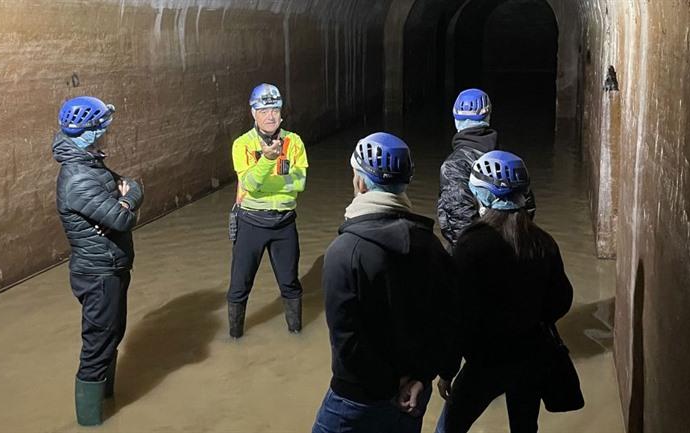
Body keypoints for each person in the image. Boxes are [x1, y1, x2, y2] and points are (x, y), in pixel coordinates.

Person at [312, 132, 457, 433]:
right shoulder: (430, 245)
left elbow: (347, 342)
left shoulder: (344, 252)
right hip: (413, 393)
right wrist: (421, 377)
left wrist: (390, 385)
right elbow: (446, 322)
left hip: (355, 399)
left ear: (361, 183)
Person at [434, 150, 573, 433]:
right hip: (531, 357)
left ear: (482, 193)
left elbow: (457, 316)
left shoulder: (472, 245)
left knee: (449, 427)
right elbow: (561, 300)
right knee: (524, 428)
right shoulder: (542, 241)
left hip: (486, 361)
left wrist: (447, 371)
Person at [53, 96, 143, 426]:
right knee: (97, 345)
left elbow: (129, 186)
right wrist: (129, 197)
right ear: (91, 132)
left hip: (111, 267)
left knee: (111, 334)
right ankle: (90, 423)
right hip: (99, 273)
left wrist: (126, 195)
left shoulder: (90, 162)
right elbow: (122, 219)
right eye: (103, 128)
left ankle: (108, 400)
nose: (107, 134)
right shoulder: (79, 179)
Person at [227, 83, 308, 339]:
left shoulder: (293, 142)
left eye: (274, 109)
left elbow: (299, 183)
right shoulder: (242, 145)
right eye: (263, 110)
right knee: (239, 286)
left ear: (281, 112)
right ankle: (235, 337)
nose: (270, 115)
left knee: (290, 284)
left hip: (284, 224)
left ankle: (296, 333)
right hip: (251, 223)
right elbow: (249, 184)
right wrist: (268, 161)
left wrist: (264, 181)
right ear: (253, 113)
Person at [437, 88, 535, 250]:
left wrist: (471, 257)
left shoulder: (454, 165)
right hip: (514, 246)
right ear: (487, 116)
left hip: (476, 254)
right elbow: (527, 206)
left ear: (456, 119)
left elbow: (457, 221)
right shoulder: (508, 159)